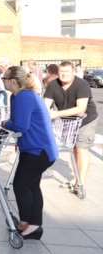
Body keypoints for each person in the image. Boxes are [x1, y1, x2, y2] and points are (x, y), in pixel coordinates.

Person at [2, 66, 58, 240]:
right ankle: (30, 223)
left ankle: (32, 225)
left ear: (12, 81)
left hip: (39, 150)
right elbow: (20, 122)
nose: (2, 81)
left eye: (4, 78)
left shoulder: (24, 96)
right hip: (35, 149)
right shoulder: (18, 95)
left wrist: (4, 123)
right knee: (31, 186)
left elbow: (20, 125)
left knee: (21, 185)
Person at [43, 61, 99, 195]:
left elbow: (81, 108)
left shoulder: (82, 84)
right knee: (73, 148)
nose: (64, 75)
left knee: (81, 147)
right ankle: (76, 178)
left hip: (86, 119)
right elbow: (45, 106)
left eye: (67, 72)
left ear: (73, 72)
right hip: (69, 120)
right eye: (61, 72)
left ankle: (80, 184)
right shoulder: (53, 85)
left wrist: (56, 114)